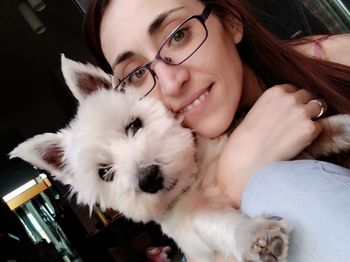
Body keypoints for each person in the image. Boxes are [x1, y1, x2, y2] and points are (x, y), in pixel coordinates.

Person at [83, 0, 350, 261]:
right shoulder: (183, 194)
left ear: (231, 21)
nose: (171, 83)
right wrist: (229, 184)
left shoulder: (338, 59)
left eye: (178, 35)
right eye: (136, 74)